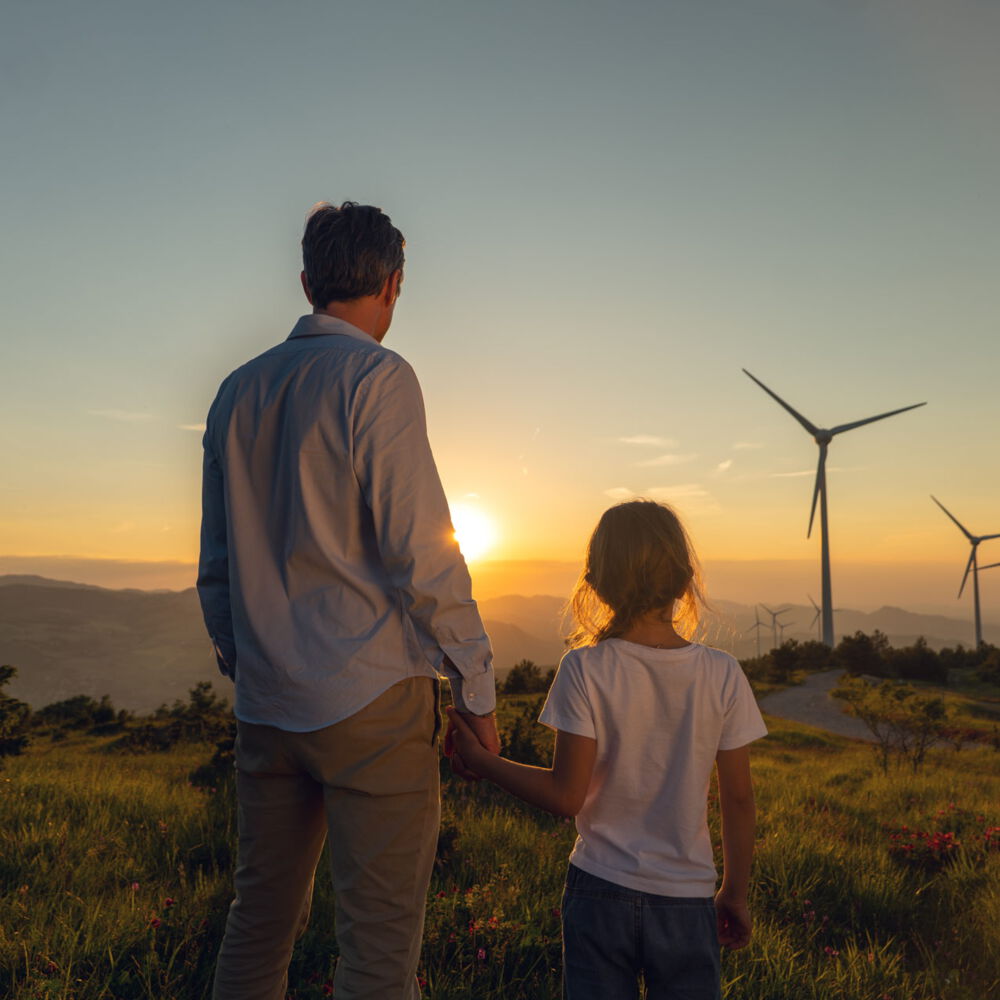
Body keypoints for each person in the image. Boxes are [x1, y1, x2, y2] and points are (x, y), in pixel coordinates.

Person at [197, 200, 500, 1000]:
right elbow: (424, 554)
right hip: (371, 698)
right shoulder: (378, 378)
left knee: (257, 923)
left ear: (306, 281)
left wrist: (246, 658)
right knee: (376, 947)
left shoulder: (236, 391)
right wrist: (476, 685)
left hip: (266, 705)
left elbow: (217, 566)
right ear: (393, 285)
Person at [447, 499, 767, 1000]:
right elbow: (740, 799)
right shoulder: (723, 673)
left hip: (599, 891)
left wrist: (484, 762)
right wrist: (734, 893)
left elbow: (564, 796)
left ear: (595, 583)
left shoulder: (584, 667)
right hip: (687, 901)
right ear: (685, 581)